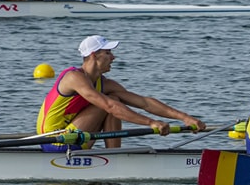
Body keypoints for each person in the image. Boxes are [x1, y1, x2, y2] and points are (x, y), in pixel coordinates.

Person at [36, 35, 206, 150]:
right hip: (54, 141)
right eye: (108, 53)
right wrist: (151, 123)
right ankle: (114, 159)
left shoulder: (106, 84)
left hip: (76, 137)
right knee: (110, 103)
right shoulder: (73, 77)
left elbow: (145, 103)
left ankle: (113, 156)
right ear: (94, 55)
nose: (113, 58)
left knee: (114, 98)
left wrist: (185, 118)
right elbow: (109, 106)